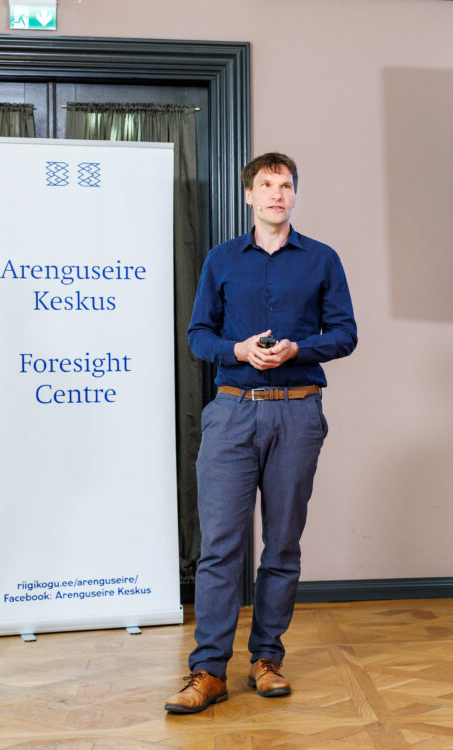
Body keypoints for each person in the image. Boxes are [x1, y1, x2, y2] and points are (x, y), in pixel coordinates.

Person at [165, 152, 357, 713]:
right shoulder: (222, 259)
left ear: (295, 195)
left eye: (286, 185)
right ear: (249, 194)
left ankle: (266, 659)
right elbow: (199, 335)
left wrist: (299, 349)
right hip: (232, 411)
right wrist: (238, 349)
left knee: (282, 544)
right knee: (220, 547)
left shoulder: (322, 259)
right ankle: (208, 671)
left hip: (297, 412)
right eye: (267, 185)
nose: (277, 194)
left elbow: (345, 333)